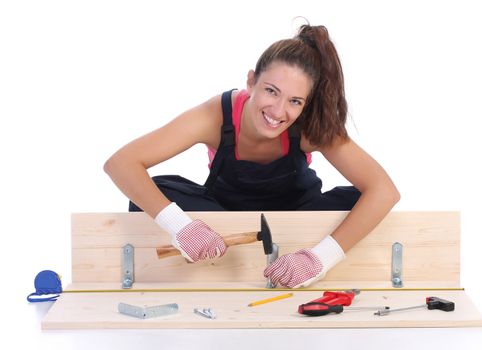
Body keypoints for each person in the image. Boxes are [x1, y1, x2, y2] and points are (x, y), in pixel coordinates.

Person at [103, 24, 400, 288]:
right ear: (251, 81)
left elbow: (384, 191)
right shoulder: (214, 115)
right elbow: (121, 163)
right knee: (156, 192)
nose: (278, 111)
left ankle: (308, 259)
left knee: (358, 203)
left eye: (295, 101)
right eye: (271, 91)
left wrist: (319, 259)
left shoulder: (310, 126)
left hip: (298, 214)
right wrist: (180, 226)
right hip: (227, 216)